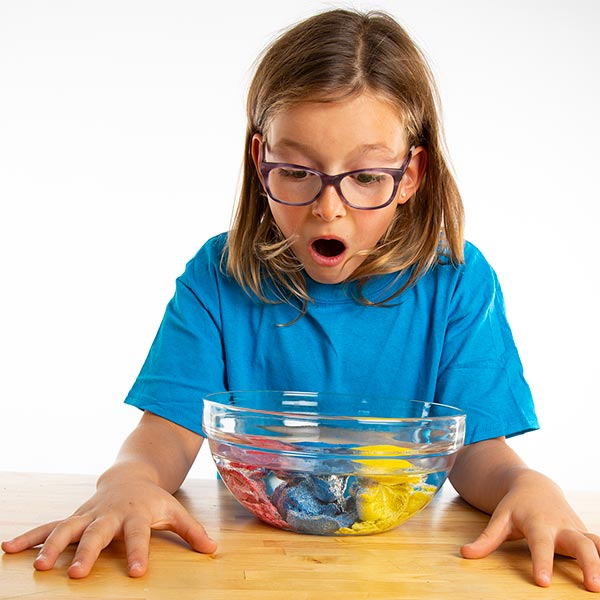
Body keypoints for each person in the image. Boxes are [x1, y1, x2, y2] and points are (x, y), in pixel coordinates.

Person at [2, 7, 599, 591]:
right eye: (297, 171)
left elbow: (474, 452)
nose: (327, 207)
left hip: (406, 573)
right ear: (262, 162)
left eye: (366, 177)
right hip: (243, 570)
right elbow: (167, 433)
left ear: (411, 176)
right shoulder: (219, 274)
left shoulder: (459, 282)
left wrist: (525, 484)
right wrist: (126, 482)